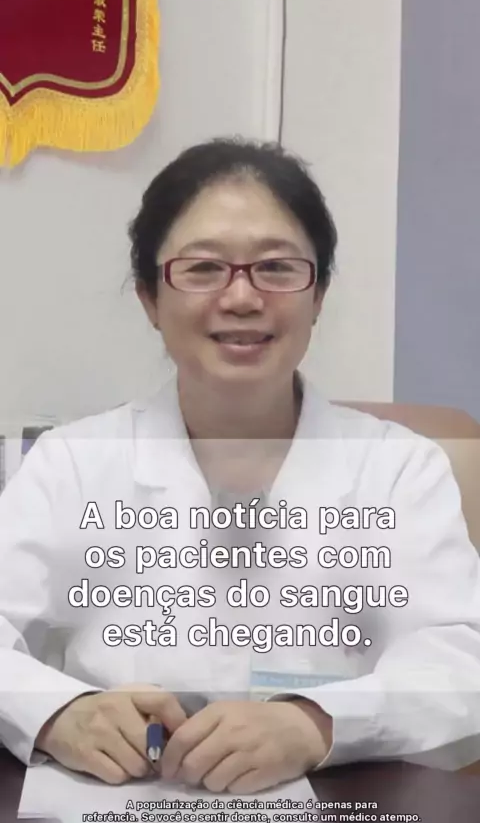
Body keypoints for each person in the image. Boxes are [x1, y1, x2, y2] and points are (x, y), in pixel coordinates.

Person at [1, 138, 480, 795]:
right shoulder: (73, 465)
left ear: (319, 294)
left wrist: (318, 723)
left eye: (277, 268)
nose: (242, 297)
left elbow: (459, 657)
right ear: (149, 298)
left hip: (340, 799)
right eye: (202, 269)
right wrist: (57, 712)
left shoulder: (400, 469)